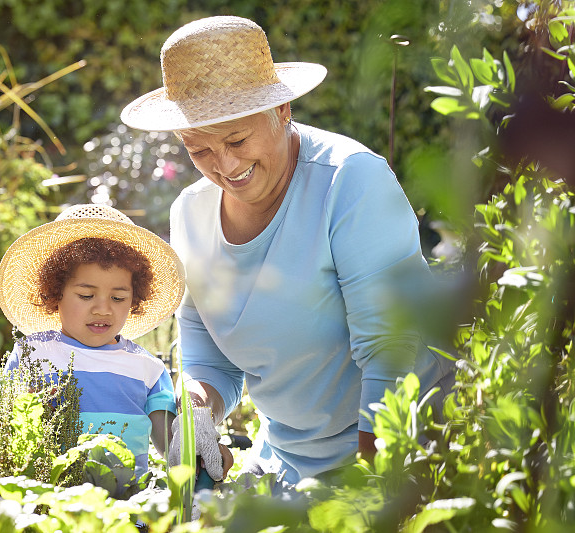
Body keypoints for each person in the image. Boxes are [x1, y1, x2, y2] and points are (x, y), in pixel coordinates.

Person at [120, 16, 455, 484]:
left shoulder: (349, 180)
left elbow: (390, 352)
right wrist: (197, 410)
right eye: (200, 150)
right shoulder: (190, 214)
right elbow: (211, 359)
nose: (227, 165)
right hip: (286, 458)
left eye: (237, 139)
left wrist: (373, 496)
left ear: (282, 110)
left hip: (402, 445)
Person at [0, 203, 186, 479]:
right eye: (86, 296)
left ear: (134, 300)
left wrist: (195, 449)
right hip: (50, 502)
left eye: (118, 298)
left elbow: (172, 447)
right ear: (55, 293)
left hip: (127, 510)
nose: (103, 309)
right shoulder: (33, 355)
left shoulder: (147, 369)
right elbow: (3, 421)